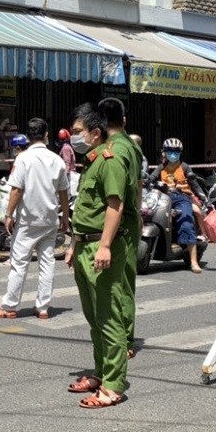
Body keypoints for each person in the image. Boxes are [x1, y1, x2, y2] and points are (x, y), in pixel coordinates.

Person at [64, 103, 130, 409]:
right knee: (94, 318)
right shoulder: (91, 162)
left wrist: (104, 245)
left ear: (95, 133)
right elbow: (86, 211)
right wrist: (74, 245)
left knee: (109, 318)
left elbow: (114, 205)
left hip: (101, 248)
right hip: (84, 246)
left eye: (77, 132)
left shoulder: (109, 160)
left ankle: (113, 385)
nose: (72, 137)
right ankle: (101, 372)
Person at [0, 118, 69, 320]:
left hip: (27, 222)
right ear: (46, 135)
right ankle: (43, 308)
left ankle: (9, 306)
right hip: (50, 220)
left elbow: (16, 190)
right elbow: (63, 193)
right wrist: (65, 218)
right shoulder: (56, 160)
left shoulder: (23, 159)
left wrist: (8, 215)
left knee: (19, 264)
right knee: (47, 263)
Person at [98, 98, 143, 360]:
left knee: (121, 284)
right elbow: (138, 186)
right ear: (124, 120)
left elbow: (116, 198)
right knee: (124, 282)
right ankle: (123, 335)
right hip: (130, 220)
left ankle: (124, 338)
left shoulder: (115, 149)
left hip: (120, 223)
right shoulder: (132, 146)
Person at [148, 137, 206, 273]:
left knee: (186, 223)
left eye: (175, 151)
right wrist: (146, 181)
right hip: (162, 197)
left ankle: (193, 262)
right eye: (169, 151)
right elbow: (150, 179)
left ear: (180, 152)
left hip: (182, 198)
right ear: (164, 152)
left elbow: (194, 184)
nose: (172, 154)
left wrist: (201, 195)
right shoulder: (161, 167)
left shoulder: (185, 167)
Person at [56, 128, 78, 195]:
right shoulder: (67, 147)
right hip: (69, 172)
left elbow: (66, 162)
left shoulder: (65, 148)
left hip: (68, 173)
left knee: (66, 192)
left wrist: (65, 174)